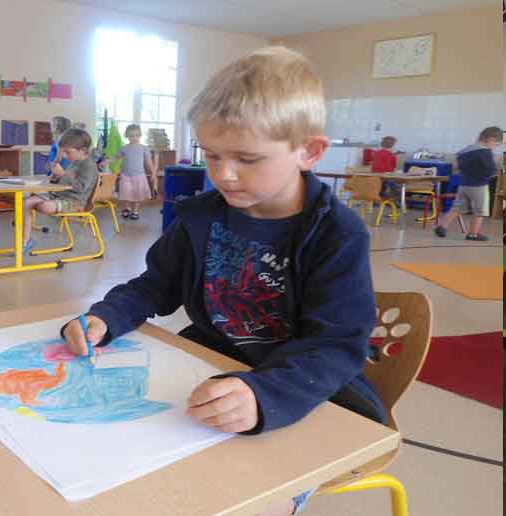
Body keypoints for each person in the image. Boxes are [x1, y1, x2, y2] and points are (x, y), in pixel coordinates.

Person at [60, 47, 386, 516]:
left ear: (308, 152)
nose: (224, 174)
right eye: (210, 155)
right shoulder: (200, 216)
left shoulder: (337, 234)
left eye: (248, 158)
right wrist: (106, 317)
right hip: (209, 365)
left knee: (247, 498)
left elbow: (336, 346)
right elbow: (154, 285)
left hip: (305, 384)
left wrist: (265, 395)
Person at [23, 128, 99, 255]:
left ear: (83, 151)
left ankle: (26, 240)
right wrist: (57, 177)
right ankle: (26, 241)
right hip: (60, 196)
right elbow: (66, 181)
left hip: (75, 203)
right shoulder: (74, 162)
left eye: (67, 152)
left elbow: (81, 187)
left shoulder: (89, 165)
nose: (64, 156)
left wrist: (63, 173)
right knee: (26, 202)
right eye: (63, 152)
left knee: (44, 206)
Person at [435, 126, 503, 241]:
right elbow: (490, 170)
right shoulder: (485, 152)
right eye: (496, 144)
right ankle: (473, 234)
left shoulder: (466, 150)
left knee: (457, 207)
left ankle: (442, 226)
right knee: (479, 211)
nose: (494, 147)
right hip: (479, 186)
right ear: (491, 139)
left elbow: (457, 165)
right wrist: (493, 173)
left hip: (464, 184)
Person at [108, 124, 156, 220]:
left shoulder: (143, 148)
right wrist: (107, 161)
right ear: (127, 136)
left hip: (139, 176)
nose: (134, 138)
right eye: (131, 136)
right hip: (126, 175)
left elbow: (149, 162)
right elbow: (116, 158)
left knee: (137, 194)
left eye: (137, 135)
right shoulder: (124, 148)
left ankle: (135, 211)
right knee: (126, 193)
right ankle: (127, 208)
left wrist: (153, 172)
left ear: (140, 135)